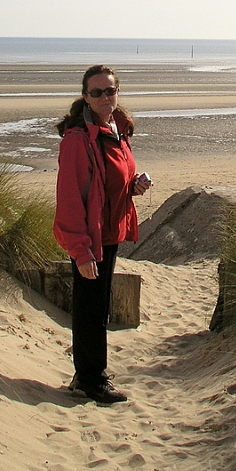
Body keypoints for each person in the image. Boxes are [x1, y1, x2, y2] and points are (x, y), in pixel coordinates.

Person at [53, 64, 151, 404]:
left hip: (109, 234)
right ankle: (90, 378)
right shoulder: (77, 141)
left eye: (110, 90)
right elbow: (69, 201)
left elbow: (110, 186)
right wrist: (80, 251)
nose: (105, 97)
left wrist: (134, 187)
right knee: (91, 308)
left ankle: (91, 373)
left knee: (99, 304)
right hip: (90, 238)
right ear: (85, 97)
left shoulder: (117, 130)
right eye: (97, 92)